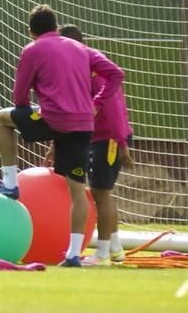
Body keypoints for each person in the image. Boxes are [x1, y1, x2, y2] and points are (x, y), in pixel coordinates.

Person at [0, 5, 124, 267]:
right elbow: (116, 74)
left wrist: (25, 107)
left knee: (2, 118)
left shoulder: (33, 49)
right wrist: (96, 103)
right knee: (77, 191)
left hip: (53, 119)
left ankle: (10, 182)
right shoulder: (82, 49)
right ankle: (73, 254)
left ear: (32, 31)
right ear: (55, 26)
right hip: (83, 124)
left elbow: (19, 95)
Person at [56, 25, 133, 266]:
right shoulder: (81, 69)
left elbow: (113, 109)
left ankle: (101, 255)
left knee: (102, 194)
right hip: (96, 138)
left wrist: (121, 144)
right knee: (102, 193)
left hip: (109, 138)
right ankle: (116, 249)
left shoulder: (96, 72)